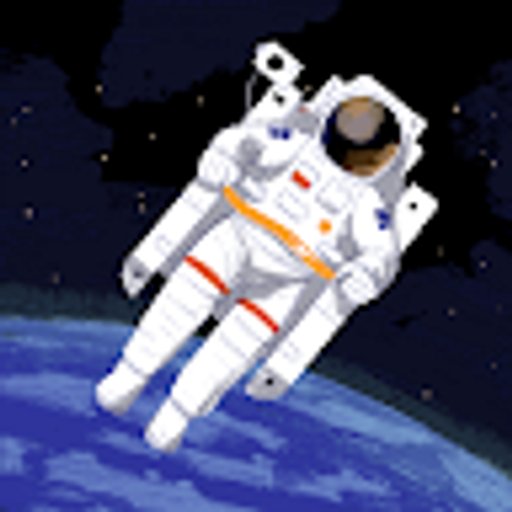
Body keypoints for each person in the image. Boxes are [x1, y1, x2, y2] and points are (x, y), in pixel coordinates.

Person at [96, 94, 403, 453]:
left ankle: (177, 412)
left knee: (235, 343)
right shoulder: (294, 147)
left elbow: (382, 256)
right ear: (386, 156)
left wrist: (365, 277)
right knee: (183, 299)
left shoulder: (367, 206)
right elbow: (239, 139)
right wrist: (223, 158)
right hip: (239, 238)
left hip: (289, 277)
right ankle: (130, 375)